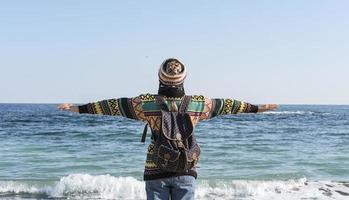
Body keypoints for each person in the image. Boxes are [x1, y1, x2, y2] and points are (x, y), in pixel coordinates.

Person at [58, 58, 278, 200]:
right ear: (183, 79)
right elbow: (228, 105)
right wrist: (257, 108)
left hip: (156, 170)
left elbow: (111, 106)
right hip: (186, 168)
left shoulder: (144, 103)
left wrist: (79, 109)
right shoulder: (199, 103)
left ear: (160, 78)